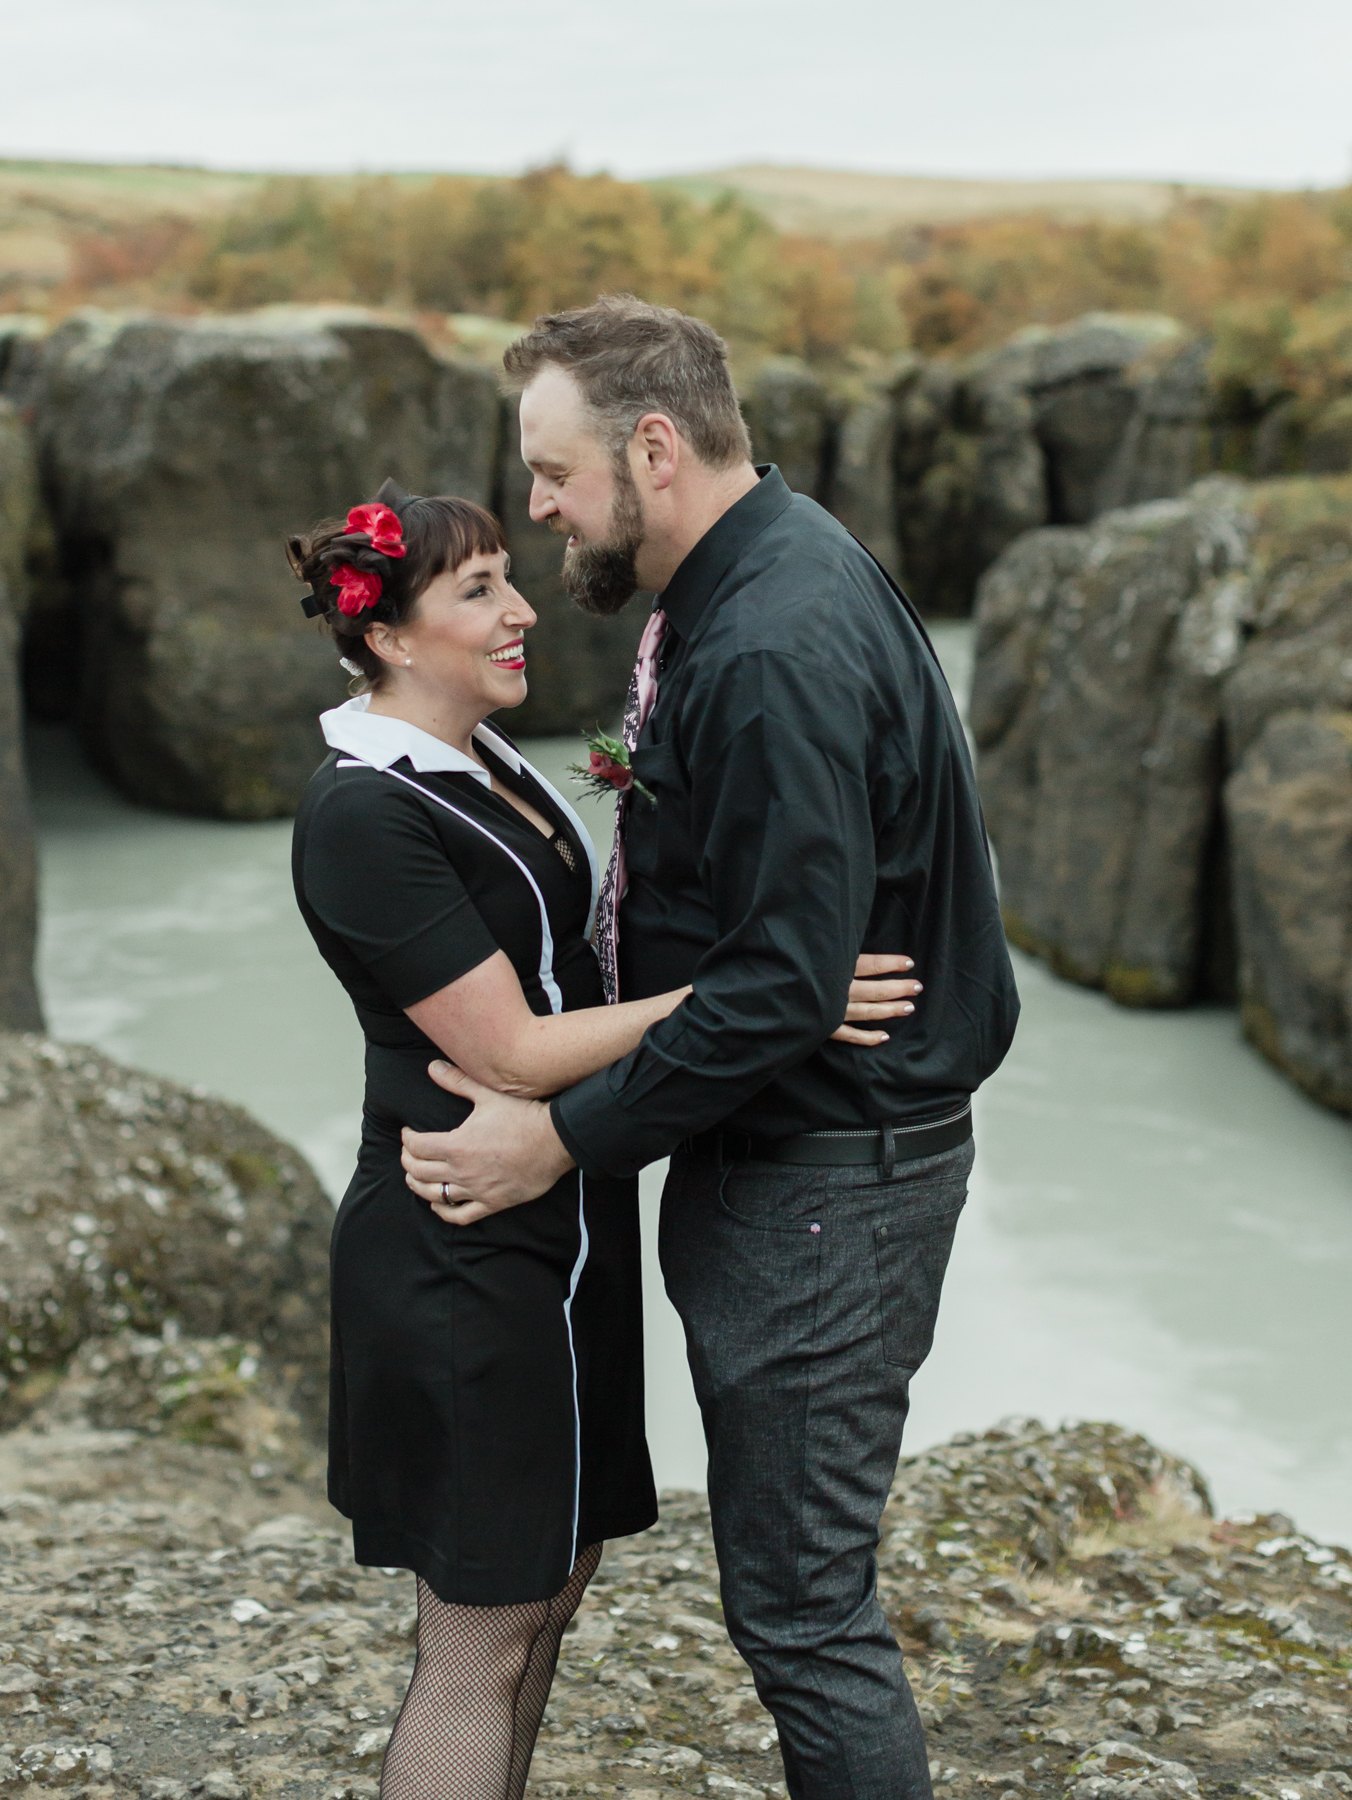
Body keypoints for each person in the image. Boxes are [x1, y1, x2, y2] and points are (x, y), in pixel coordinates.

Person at [397, 298, 1022, 1800]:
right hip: (809, 1170)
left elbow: (783, 984)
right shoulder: (767, 564)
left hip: (823, 1191)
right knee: (798, 1600)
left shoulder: (771, 647)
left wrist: (559, 1134)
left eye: (554, 474)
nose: (538, 507)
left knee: (804, 1615)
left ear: (653, 448)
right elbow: (777, 958)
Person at [286, 484, 922, 1800]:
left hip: (560, 1230)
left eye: (513, 578)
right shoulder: (363, 812)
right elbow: (511, 1047)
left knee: (551, 1597)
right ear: (391, 638)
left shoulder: (484, 761)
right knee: (477, 1640)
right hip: (458, 1246)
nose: (522, 610)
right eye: (477, 592)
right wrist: (770, 991)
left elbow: (580, 968)